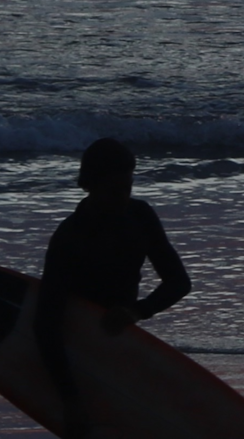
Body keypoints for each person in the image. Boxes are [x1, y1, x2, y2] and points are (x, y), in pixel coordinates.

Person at [35, 138, 190, 433]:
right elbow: (45, 324)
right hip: (74, 355)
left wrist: (137, 311)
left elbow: (179, 282)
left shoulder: (140, 216)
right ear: (89, 185)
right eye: (113, 190)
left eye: (127, 188)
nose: (122, 198)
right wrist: (69, 398)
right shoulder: (69, 237)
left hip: (120, 350)